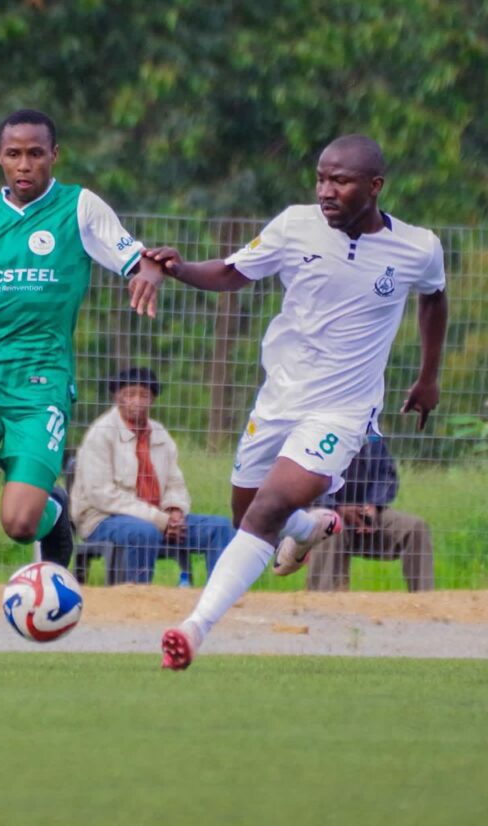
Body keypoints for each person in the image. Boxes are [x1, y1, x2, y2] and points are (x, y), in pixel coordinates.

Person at [148, 134, 447, 670]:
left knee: (267, 508)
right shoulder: (294, 226)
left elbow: (434, 297)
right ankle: (307, 529)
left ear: (374, 186)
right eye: (321, 179)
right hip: (279, 398)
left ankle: (194, 628)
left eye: (341, 181)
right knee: (248, 514)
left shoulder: (418, 247)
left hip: (342, 411)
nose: (326, 190)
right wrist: (180, 268)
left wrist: (428, 378)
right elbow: (232, 272)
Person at [0, 108, 163, 666]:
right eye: (13, 154)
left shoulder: (79, 207)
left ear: (54, 155)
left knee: (19, 523)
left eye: (35, 153)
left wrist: (148, 270)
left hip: (40, 384)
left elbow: (133, 257)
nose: (24, 164)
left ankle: (53, 517)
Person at [71, 366, 233, 583]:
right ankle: (137, 597)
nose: (136, 401)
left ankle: (221, 595)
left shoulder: (160, 434)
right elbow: (101, 495)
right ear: (117, 397)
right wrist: (157, 519)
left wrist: (174, 512)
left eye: (143, 395)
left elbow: (175, 484)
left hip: (161, 520)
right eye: (130, 395)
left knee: (220, 528)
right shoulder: (100, 434)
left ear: (152, 400)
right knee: (143, 532)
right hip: (103, 519)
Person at [307, 435, 433, 592]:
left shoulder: (370, 433)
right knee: (331, 526)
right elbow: (303, 483)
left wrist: (373, 505)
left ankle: (423, 600)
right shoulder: (315, 431)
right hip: (325, 512)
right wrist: (337, 508)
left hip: (366, 513)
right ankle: (324, 600)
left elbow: (386, 474)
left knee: (415, 527)